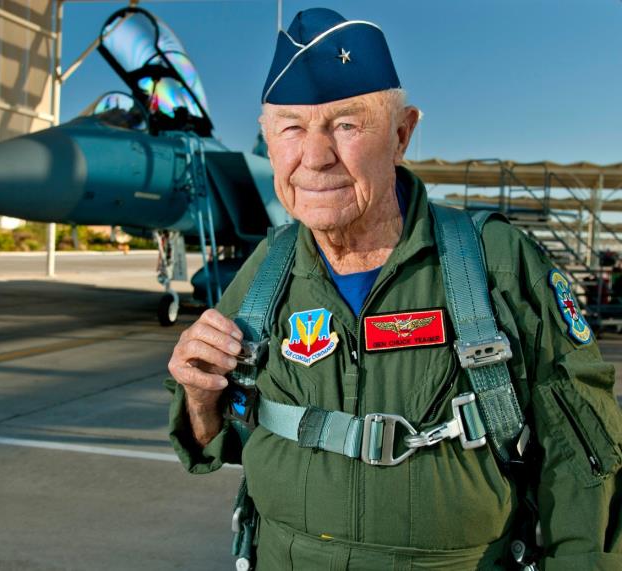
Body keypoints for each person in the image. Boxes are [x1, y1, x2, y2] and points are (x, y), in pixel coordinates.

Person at [167, 8, 622, 570]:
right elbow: (217, 438)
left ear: (401, 134)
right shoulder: (266, 271)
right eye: (291, 128)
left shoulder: (497, 265)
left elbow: (584, 467)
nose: (315, 157)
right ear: (268, 139)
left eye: (346, 125)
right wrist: (198, 394)